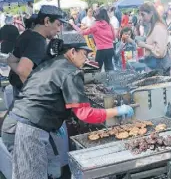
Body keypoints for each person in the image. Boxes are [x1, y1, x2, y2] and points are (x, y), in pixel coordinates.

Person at [1, 32, 134, 179]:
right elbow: (85, 114)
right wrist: (117, 110)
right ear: (72, 52)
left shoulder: (50, 64)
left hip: (15, 125)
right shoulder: (71, 72)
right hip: (29, 130)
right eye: (84, 54)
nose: (87, 58)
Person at [8, 5, 65, 97]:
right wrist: (38, 93)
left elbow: (11, 60)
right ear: (47, 21)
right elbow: (22, 70)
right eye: (58, 25)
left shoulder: (27, 33)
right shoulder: (38, 41)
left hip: (18, 87)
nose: (59, 30)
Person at [136, 3, 171, 75]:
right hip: (156, 67)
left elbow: (160, 52)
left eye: (143, 15)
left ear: (151, 13)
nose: (142, 17)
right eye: (140, 15)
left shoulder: (158, 27)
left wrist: (144, 45)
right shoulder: (153, 26)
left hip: (161, 68)